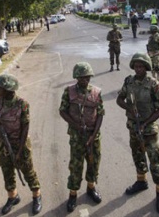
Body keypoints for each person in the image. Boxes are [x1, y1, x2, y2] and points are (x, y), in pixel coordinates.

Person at [116, 52, 159, 214]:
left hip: (149, 128)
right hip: (133, 127)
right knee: (137, 155)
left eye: (141, 66)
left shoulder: (153, 84)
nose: (138, 69)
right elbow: (119, 99)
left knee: (155, 159)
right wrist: (129, 108)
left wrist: (145, 123)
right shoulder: (129, 82)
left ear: (146, 67)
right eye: (136, 66)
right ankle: (141, 181)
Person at [0, 74, 42, 215]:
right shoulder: (0, 101)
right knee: (7, 171)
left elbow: (25, 128)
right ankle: (13, 197)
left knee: (28, 171)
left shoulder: (22, 104)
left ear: (8, 89)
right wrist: (4, 142)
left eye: (0, 88)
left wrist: (19, 151)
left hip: (21, 144)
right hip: (5, 144)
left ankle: (37, 195)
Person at [59, 62, 104, 213]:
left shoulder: (96, 92)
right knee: (76, 166)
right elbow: (62, 111)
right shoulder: (69, 92)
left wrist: (94, 134)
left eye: (88, 77)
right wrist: (76, 125)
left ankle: (91, 188)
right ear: (77, 77)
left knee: (93, 163)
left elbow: (100, 114)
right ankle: (73, 194)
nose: (85, 80)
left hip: (93, 137)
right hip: (77, 138)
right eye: (82, 77)